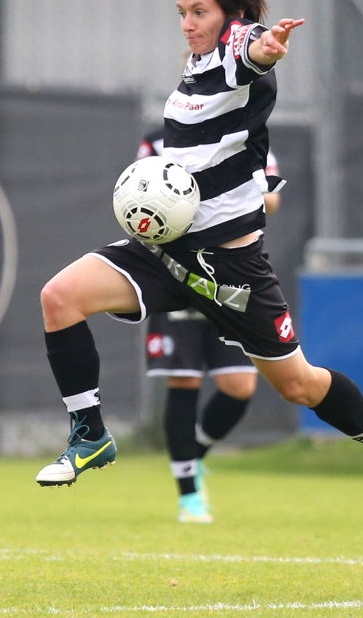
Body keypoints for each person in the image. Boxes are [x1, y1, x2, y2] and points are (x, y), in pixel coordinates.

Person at [35, 0, 363, 500]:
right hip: (165, 253)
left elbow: (251, 50)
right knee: (59, 298)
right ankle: (90, 434)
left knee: (299, 386)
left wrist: (265, 44)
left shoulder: (234, 53)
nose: (188, 23)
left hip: (230, 268)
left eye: (199, 12)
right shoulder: (194, 67)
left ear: (229, 14)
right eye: (181, 12)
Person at [137, 128, 281, 523]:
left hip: (229, 275)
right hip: (178, 275)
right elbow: (140, 199)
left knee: (239, 387)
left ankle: (193, 455)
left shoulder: (246, 136)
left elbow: (272, 197)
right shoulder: (158, 142)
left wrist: (230, 196)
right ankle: (188, 496)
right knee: (184, 380)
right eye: (193, 61)